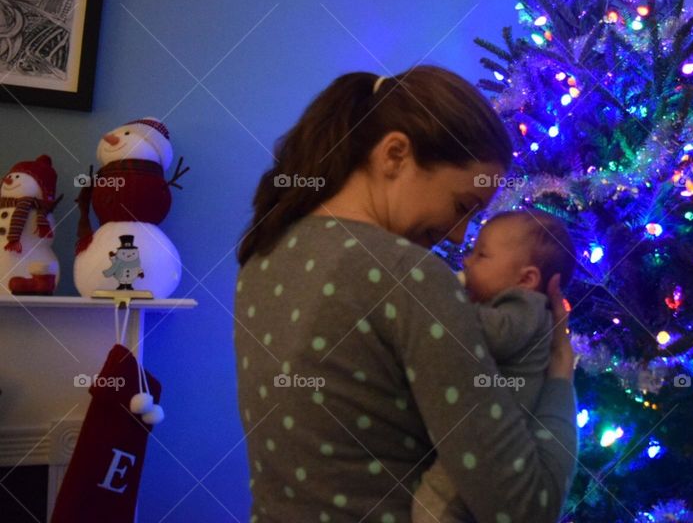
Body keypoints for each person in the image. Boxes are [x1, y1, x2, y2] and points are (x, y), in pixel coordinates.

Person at [234, 65, 578, 523]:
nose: (459, 237)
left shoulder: (263, 256)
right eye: (462, 207)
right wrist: (558, 375)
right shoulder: (408, 276)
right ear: (394, 155)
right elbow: (525, 506)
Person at [412, 210, 576, 522]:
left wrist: (445, 300)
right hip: (485, 434)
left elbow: (494, 335)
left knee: (436, 501)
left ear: (526, 279)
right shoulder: (509, 304)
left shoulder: (526, 307)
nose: (467, 261)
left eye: (481, 254)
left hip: (493, 444)